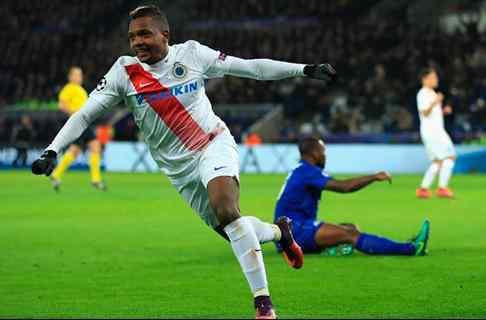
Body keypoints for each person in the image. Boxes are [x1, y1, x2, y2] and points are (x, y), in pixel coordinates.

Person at [31, 5, 337, 319]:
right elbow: (85, 114)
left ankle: (263, 304)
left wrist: (305, 69)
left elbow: (251, 68)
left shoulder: (191, 55)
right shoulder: (124, 72)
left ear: (165, 35)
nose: (137, 42)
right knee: (234, 229)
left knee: (226, 208)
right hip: (178, 170)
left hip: (211, 145)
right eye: (132, 36)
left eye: (145, 34)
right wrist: (52, 150)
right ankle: (279, 232)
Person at [274, 137, 430, 256]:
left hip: (292, 230)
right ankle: (411, 249)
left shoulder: (302, 170)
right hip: (294, 233)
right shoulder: (307, 171)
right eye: (323, 152)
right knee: (351, 234)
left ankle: (331, 249)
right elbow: (344, 187)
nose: (325, 156)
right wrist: (374, 177)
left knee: (350, 227)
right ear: (315, 153)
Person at [50, 66, 106, 192]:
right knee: (95, 146)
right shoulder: (68, 89)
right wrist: (74, 113)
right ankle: (96, 180)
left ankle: (56, 174)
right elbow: (62, 104)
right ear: (70, 77)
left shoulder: (80, 90)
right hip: (80, 121)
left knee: (75, 150)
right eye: (76, 75)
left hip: (81, 121)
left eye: (80, 75)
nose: (79, 77)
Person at [415, 68, 455, 199]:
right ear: (425, 79)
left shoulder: (431, 93)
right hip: (433, 132)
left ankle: (423, 189)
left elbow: (432, 114)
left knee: (438, 161)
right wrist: (435, 102)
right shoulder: (423, 94)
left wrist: (443, 111)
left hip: (435, 130)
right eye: (433, 77)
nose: (436, 80)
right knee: (450, 156)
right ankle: (441, 188)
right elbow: (424, 112)